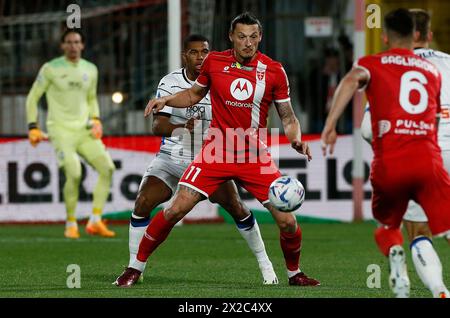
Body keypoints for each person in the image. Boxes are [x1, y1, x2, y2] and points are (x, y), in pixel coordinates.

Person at [115, 12, 320, 287]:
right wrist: (165, 101)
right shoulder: (215, 61)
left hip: (254, 156)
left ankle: (294, 274)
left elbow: (288, 116)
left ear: (260, 37)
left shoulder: (274, 70)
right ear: (231, 37)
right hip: (216, 152)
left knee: (287, 221)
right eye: (242, 36)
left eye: (253, 36)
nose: (248, 43)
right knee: (175, 209)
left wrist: (296, 138)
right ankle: (135, 268)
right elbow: (193, 95)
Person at [321, 8, 450, 298]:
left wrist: (331, 124)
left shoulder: (373, 64)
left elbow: (364, 120)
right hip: (432, 156)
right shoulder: (434, 70)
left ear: (384, 36)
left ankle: (437, 288)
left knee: (408, 231)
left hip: (394, 160)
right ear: (422, 35)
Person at [360, 9, 450, 298]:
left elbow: (366, 129)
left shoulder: (388, 68)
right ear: (428, 35)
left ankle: (440, 291)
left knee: (420, 231)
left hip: (422, 154)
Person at [26, 29, 116, 239]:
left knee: (107, 168)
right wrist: (33, 126)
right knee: (74, 173)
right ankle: (71, 223)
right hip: (60, 130)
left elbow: (92, 98)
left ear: (82, 45)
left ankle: (95, 221)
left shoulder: (91, 69)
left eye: (77, 42)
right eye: (69, 42)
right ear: (62, 46)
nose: (73, 46)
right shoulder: (50, 68)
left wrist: (96, 119)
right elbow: (32, 97)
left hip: (84, 130)